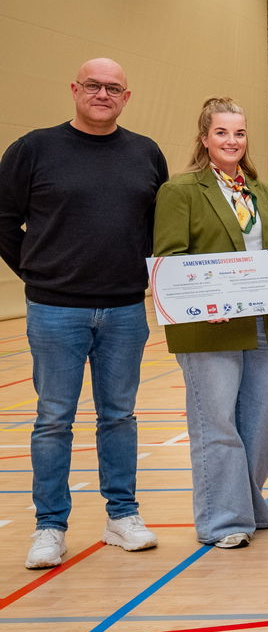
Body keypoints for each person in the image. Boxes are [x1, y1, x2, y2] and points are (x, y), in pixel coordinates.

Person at [0, 59, 168, 570]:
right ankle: (50, 526)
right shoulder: (34, 148)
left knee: (119, 417)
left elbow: (157, 228)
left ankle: (122, 515)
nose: (102, 93)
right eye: (93, 85)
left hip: (123, 309)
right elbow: (4, 220)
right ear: (74, 89)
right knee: (54, 420)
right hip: (55, 310)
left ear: (127, 96)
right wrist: (37, 272)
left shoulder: (145, 153)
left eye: (112, 87)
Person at [153, 98, 268, 548]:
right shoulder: (182, 190)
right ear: (204, 138)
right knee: (217, 425)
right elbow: (169, 260)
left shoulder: (258, 189)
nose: (232, 141)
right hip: (207, 326)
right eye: (222, 133)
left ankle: (247, 502)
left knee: (265, 420)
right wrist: (210, 297)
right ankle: (223, 521)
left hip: (259, 321)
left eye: (239, 133)